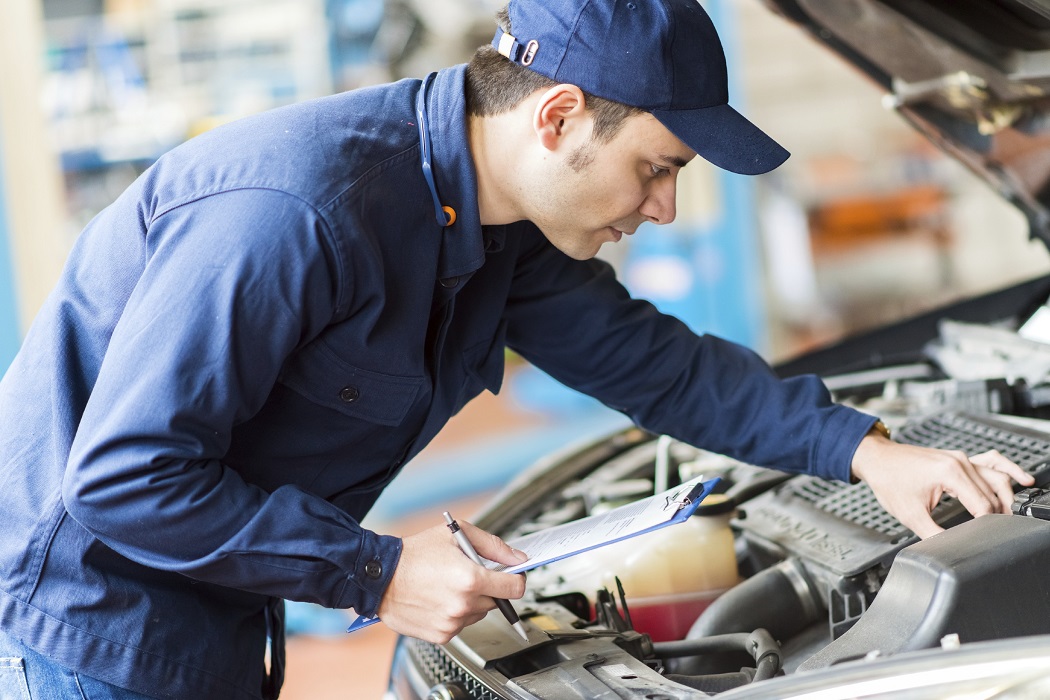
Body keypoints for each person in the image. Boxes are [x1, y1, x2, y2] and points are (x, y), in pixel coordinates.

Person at [0, 0, 1033, 697]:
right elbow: (122, 480)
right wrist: (377, 572)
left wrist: (872, 451)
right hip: (92, 624)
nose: (665, 209)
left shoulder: (501, 235)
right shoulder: (298, 213)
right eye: (655, 168)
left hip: (211, 607)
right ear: (557, 117)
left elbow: (661, 367)